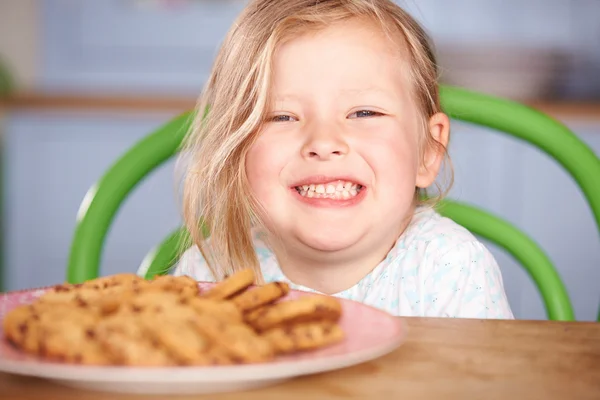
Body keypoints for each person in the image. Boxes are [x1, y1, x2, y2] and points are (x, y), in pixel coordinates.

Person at [172, 0, 514, 319]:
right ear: (235, 153)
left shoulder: (451, 269)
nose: (324, 142)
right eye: (281, 117)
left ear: (427, 151)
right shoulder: (209, 276)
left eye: (364, 112)